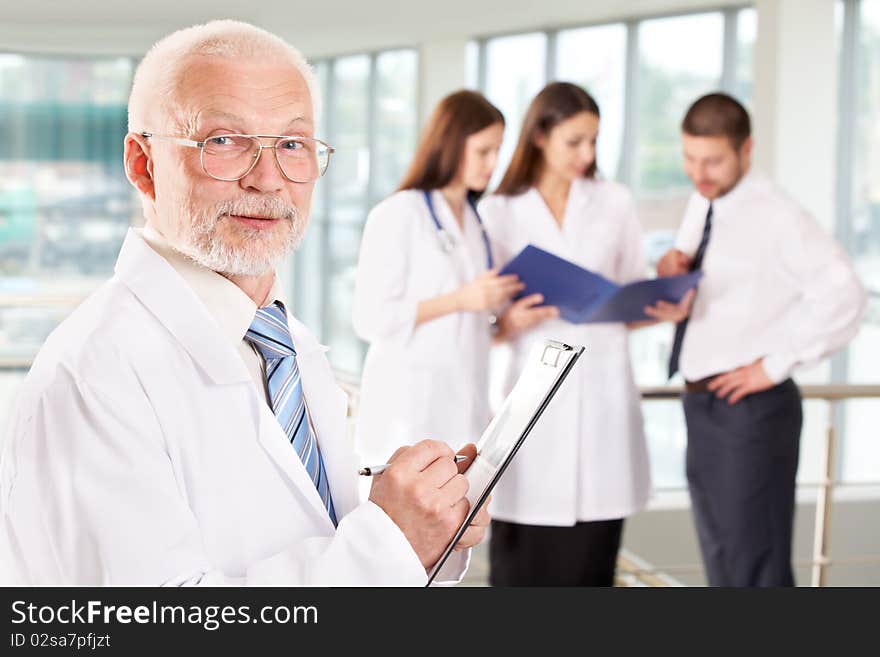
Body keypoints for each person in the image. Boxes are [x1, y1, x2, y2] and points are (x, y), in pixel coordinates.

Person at [0, 20, 488, 586]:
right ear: (143, 164)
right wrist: (387, 543)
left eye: (291, 144)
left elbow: (315, 531)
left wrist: (419, 534)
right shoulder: (92, 375)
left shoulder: (284, 342)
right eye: (224, 142)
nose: (268, 180)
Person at [479, 82, 692, 586]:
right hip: (529, 396)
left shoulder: (613, 201)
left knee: (591, 567)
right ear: (539, 136)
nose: (587, 154)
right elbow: (480, 321)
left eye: (594, 141)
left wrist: (659, 306)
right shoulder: (498, 211)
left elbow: (626, 298)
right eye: (574, 141)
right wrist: (507, 322)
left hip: (601, 397)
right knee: (518, 567)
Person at [657, 92, 867, 587]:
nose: (698, 172)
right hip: (704, 405)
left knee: (756, 571)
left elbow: (846, 295)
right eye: (689, 158)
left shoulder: (778, 216)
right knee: (723, 565)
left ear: (746, 149)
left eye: (712, 161)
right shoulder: (707, 200)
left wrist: (772, 366)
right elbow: (704, 280)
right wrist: (673, 269)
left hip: (751, 411)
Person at [352, 91, 528, 464]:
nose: (493, 163)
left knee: (465, 516)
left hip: (466, 406)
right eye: (483, 151)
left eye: (498, 150)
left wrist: (503, 322)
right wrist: (463, 299)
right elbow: (370, 319)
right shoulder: (399, 213)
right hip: (409, 408)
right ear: (450, 144)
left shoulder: (475, 220)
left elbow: (470, 325)